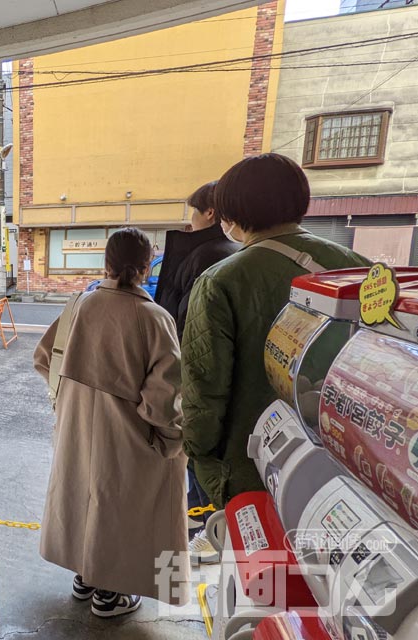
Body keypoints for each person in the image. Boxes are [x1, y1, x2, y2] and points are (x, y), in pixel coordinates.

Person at [182, 153, 370, 512]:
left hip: (253, 464)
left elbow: (204, 385)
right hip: (345, 461)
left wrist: (196, 449)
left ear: (232, 212)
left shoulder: (222, 280)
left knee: (259, 561)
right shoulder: (359, 268)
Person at [34, 227, 189, 618]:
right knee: (122, 507)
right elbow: (164, 400)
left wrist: (72, 399)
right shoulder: (154, 318)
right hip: (128, 435)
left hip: (75, 426)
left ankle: (86, 576)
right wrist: (171, 442)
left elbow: (43, 358)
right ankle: (111, 593)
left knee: (82, 496)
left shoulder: (79, 307)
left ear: (105, 263)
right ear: (144, 267)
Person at [154, 180, 237, 566]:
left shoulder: (209, 257)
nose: (189, 220)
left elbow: (185, 322)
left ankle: (203, 527)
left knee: (198, 446)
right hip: (206, 374)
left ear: (210, 213)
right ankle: (201, 519)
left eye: (193, 210)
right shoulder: (227, 252)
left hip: (195, 374)